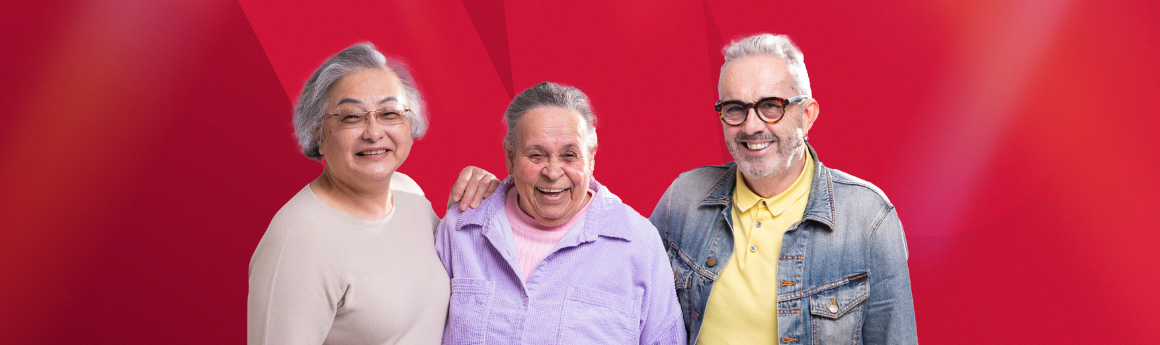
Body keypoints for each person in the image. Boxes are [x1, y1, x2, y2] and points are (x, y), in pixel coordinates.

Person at [650, 34, 918, 344]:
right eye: (735, 108)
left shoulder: (867, 218)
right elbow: (625, 302)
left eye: (770, 106)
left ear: (807, 115)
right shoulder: (685, 197)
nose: (751, 127)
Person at [247, 43, 497, 345]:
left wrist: (474, 206)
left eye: (389, 113)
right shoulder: (299, 241)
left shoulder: (410, 194)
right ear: (318, 134)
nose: (373, 132)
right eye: (352, 117)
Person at [435, 82, 686, 344]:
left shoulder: (638, 242)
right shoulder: (461, 228)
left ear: (591, 158)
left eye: (569, 155)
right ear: (510, 157)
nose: (553, 172)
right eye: (536, 155)